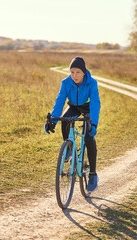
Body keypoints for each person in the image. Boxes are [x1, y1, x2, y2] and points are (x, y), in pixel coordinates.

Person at [44, 57, 101, 191]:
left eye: (78, 72)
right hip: (74, 107)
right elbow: (60, 101)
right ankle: (69, 150)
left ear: (84, 72)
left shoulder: (92, 83)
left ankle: (92, 174)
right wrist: (52, 121)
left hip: (88, 108)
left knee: (88, 137)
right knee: (65, 119)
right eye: (72, 72)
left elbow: (95, 103)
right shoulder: (65, 82)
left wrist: (93, 124)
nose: (74, 76)